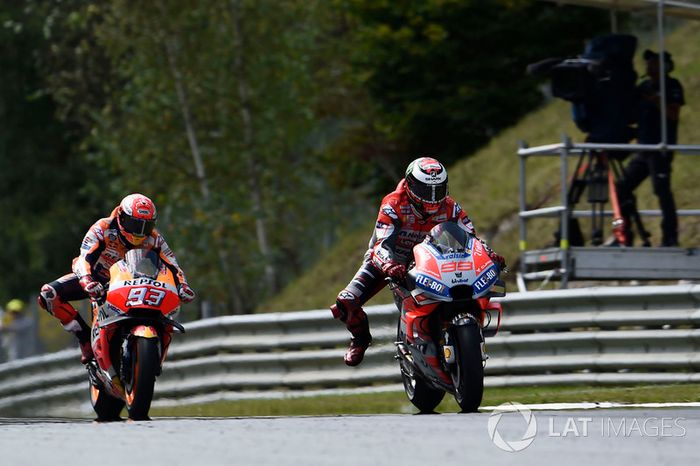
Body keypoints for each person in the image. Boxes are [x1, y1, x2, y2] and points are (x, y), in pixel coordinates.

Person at [330, 157, 506, 367]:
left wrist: (489, 254)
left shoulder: (451, 207)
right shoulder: (393, 203)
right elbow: (381, 243)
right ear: (411, 185)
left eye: (438, 190)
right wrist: (388, 265)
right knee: (346, 301)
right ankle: (360, 339)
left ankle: (452, 331)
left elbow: (471, 238)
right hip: (389, 260)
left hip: (432, 259)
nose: (433, 198)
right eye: (426, 190)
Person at [38, 194, 196, 364]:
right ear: (121, 216)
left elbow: (172, 264)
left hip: (132, 282)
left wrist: (183, 286)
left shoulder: (154, 238)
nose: (140, 232)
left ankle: (150, 348)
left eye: (146, 226)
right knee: (49, 295)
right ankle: (84, 338)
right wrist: (87, 280)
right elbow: (85, 257)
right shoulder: (102, 227)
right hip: (96, 280)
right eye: (135, 224)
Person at [616, 49, 684, 247]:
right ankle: (625, 232)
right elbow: (630, 115)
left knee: (662, 190)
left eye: (653, 63)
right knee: (621, 188)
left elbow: (673, 115)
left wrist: (656, 100)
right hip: (643, 149)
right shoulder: (643, 87)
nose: (648, 66)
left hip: (660, 148)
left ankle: (670, 238)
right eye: (647, 63)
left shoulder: (672, 86)